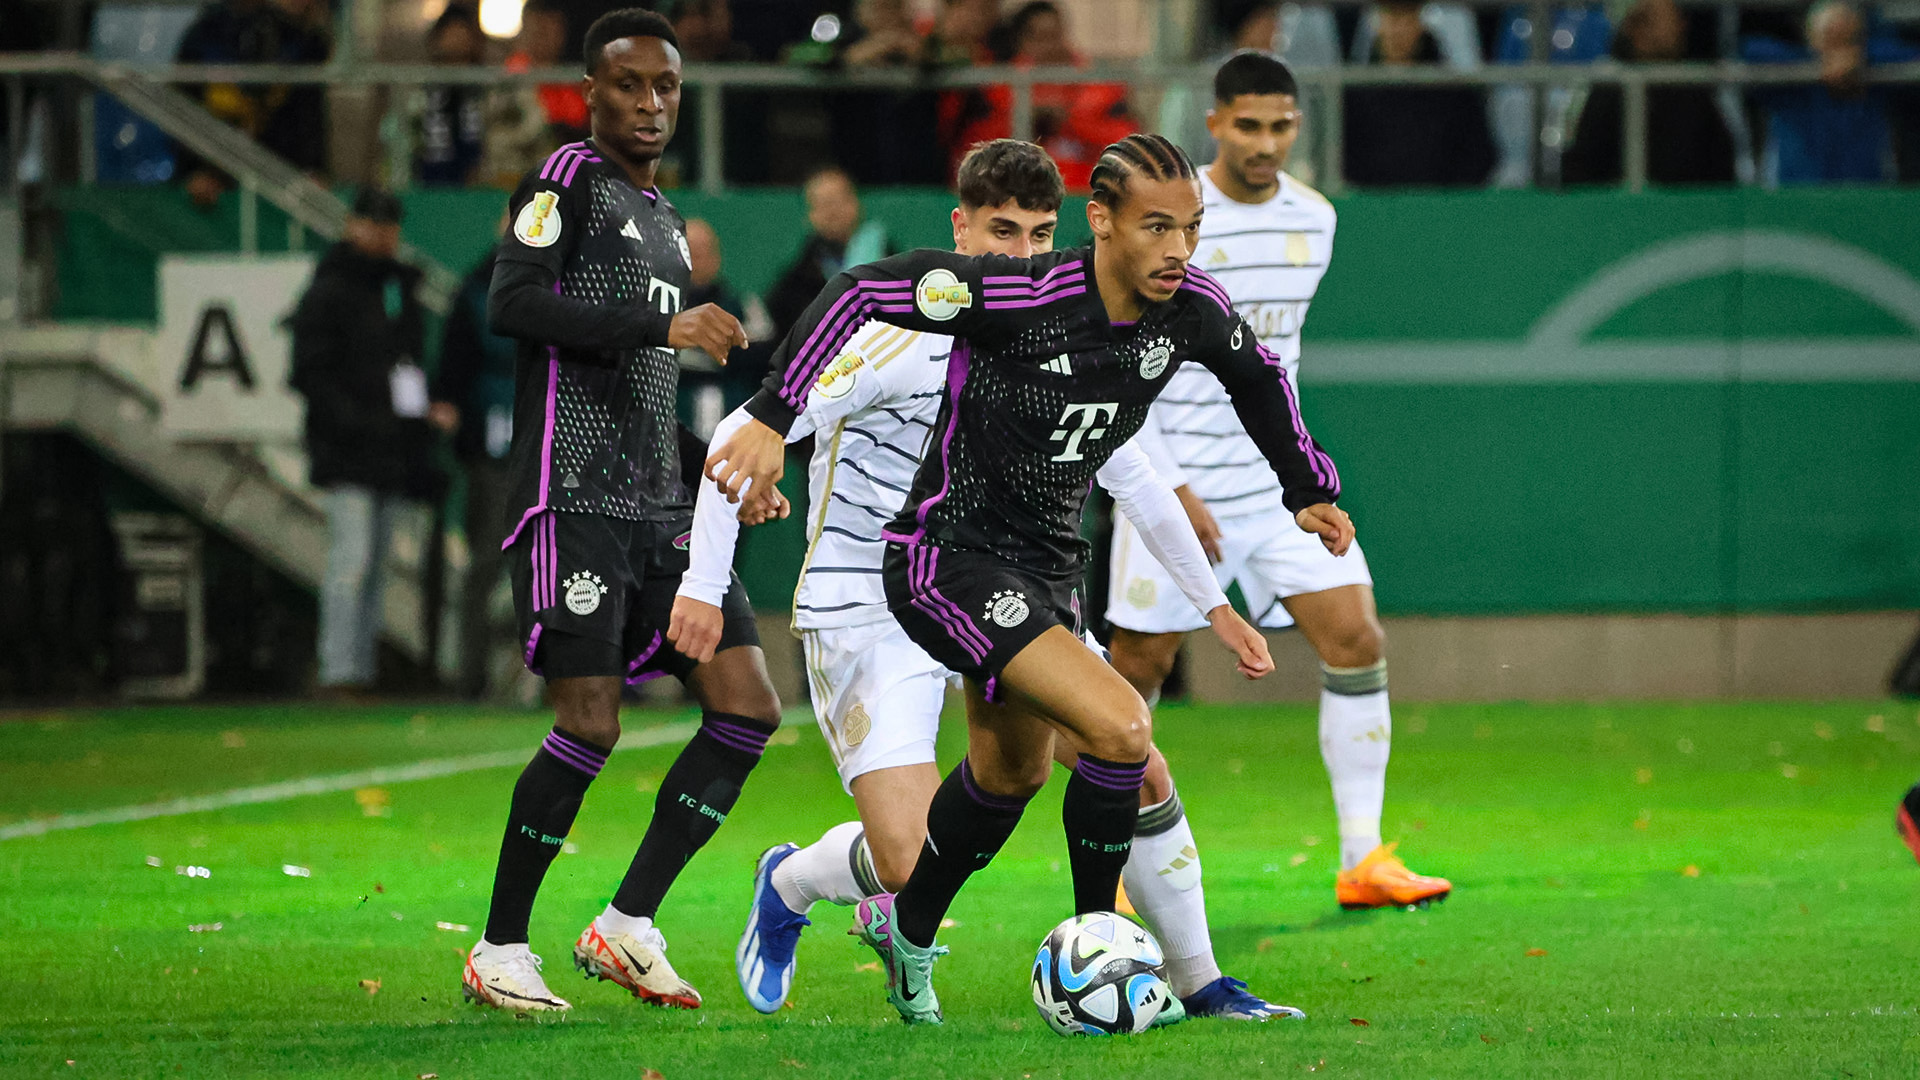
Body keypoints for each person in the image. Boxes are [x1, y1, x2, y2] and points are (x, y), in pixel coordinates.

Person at [705, 131, 1354, 1025]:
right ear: (1104, 223)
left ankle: (912, 932)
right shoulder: (1009, 296)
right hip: (946, 564)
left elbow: (1255, 377)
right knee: (1124, 728)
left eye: (1192, 230)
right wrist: (775, 416)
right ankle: (1109, 953)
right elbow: (858, 290)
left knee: (1010, 776)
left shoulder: (1188, 309)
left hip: (1046, 575)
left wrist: (1306, 487)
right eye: (1156, 228)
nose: (1178, 250)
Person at [460, 8, 784, 1016]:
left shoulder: (665, 216)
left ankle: (627, 923)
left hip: (661, 504)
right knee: (590, 725)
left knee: (747, 707)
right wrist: (662, 318)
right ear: (590, 93)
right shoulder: (560, 183)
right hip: (575, 497)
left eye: (666, 88)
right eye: (630, 86)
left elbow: (648, 379)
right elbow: (512, 303)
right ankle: (501, 946)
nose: (650, 103)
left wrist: (729, 472)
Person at [1106, 52, 1451, 916]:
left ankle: (1363, 857)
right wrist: (1172, 482)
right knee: (1131, 677)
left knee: (1356, 637)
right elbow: (1122, 360)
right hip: (1168, 482)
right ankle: (1106, 866)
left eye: (1281, 125)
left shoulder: (1317, 220)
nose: (1266, 143)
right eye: (1248, 125)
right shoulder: (1174, 216)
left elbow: (1272, 366)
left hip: (1268, 491)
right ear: (1215, 123)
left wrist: (1300, 480)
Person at [289, 189, 439, 692]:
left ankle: (360, 669)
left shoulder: (398, 287)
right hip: (348, 449)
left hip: (389, 449)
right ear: (353, 224)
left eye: (389, 225)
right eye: (372, 223)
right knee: (350, 562)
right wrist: (351, 420)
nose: (381, 234)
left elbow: (410, 367)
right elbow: (309, 371)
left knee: (375, 566)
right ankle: (338, 670)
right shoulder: (330, 288)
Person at [430, 233, 519, 700]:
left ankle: (546, 680)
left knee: (549, 567)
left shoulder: (564, 282)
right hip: (494, 451)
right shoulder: (475, 291)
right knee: (487, 560)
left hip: (549, 448)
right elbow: (454, 364)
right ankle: (470, 674)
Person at [950, 1, 1138, 188]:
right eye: (1039, 37)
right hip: (1018, 198)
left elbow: (1126, 145)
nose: (1050, 46)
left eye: (1055, 35)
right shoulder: (998, 87)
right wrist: (1027, 119)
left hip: (1088, 195)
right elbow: (973, 150)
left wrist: (1068, 122)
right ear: (1021, 42)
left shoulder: (1099, 85)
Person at [1560, 0, 1734, 186]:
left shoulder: (1695, 91)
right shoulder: (1609, 91)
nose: (1682, 26)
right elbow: (1580, 171)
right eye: (1670, 21)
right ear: (1636, 29)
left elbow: (1722, 172)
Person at [174, 0, 330, 207]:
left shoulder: (299, 41)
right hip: (214, 176)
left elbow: (308, 114)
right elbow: (183, 110)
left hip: (279, 179)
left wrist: (311, 170)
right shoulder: (203, 36)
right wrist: (195, 171)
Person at [1742, 0, 1912, 186]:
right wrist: (1816, 65)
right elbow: (1747, 53)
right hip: (1796, 196)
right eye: (1829, 35)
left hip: (1865, 195)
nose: (1837, 49)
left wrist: (1864, 57)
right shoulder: (1792, 83)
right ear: (1811, 37)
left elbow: (1910, 59)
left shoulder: (1873, 76)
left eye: (1847, 38)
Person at [1341, 0, 1494, 187]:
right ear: (1377, 24)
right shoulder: (1356, 93)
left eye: (1406, 20)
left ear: (1421, 25)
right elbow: (1345, 159)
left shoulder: (1453, 91)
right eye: (1391, 18)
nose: (1397, 31)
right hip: (1376, 207)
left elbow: (1479, 156)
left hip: (1441, 207)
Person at [765, 167, 891, 340]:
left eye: (839, 201)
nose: (833, 211)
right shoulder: (792, 289)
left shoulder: (894, 265)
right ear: (810, 215)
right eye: (823, 203)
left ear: (856, 204)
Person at [677, 218, 775, 437]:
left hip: (737, 430)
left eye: (705, 250)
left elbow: (762, 355)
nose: (699, 259)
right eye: (691, 251)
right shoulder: (662, 309)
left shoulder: (744, 306)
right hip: (676, 427)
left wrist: (702, 352)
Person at [410, 4, 489, 187]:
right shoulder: (421, 87)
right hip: (427, 182)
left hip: (478, 185)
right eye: (450, 33)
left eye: (462, 33)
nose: (456, 40)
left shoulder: (486, 87)